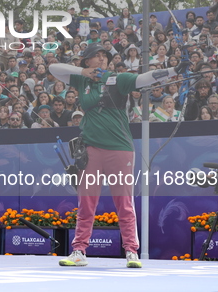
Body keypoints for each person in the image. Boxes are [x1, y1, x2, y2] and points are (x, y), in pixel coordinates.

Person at [50, 42, 189, 269]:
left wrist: (173, 71)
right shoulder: (81, 80)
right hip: (91, 150)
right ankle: (79, 250)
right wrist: (81, 72)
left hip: (119, 149)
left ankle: (131, 251)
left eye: (105, 55)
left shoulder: (117, 79)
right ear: (87, 61)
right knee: (86, 202)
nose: (103, 59)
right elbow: (54, 68)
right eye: (97, 56)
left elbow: (144, 79)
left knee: (124, 203)